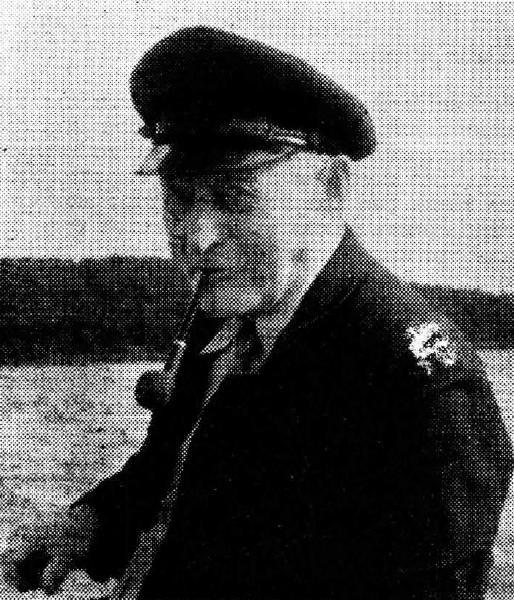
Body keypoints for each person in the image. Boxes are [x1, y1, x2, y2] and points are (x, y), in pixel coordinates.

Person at [2, 26, 513, 600]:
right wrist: (86, 526)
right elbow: (178, 467)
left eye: (233, 200)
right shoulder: (231, 315)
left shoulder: (420, 395)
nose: (196, 238)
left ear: (330, 190)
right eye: (179, 198)